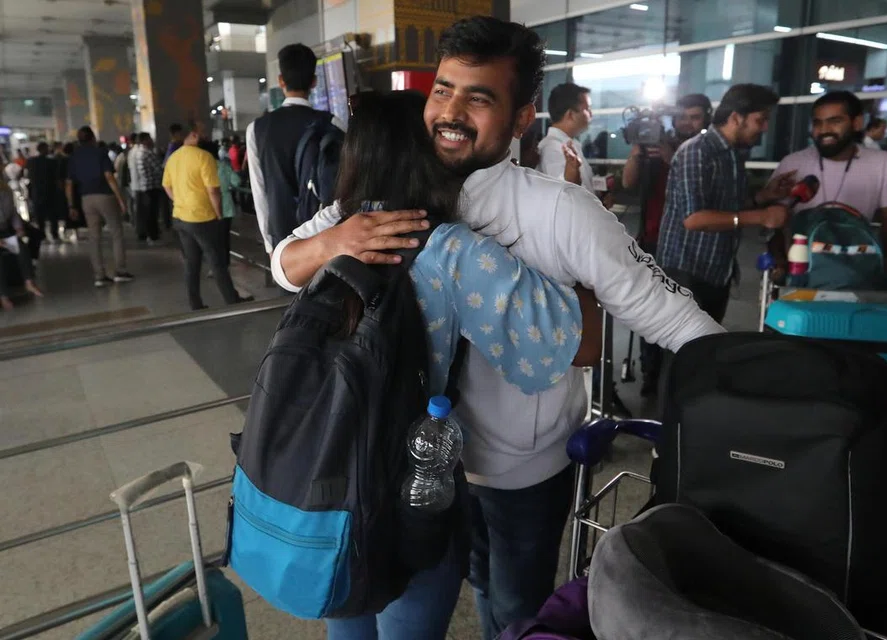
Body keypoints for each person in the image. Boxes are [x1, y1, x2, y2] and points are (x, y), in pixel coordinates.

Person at [272, 17, 724, 640]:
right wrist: (335, 240)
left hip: (519, 472)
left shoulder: (560, 212)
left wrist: (763, 379)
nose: (451, 113)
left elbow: (666, 312)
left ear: (520, 119)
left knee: (511, 608)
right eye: (443, 90)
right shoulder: (390, 186)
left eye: (478, 98)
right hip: (406, 461)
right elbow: (284, 265)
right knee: (403, 591)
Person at [657, 83, 790, 325]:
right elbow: (694, 219)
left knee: (708, 343)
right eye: (760, 120)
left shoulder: (732, 154)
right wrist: (761, 216)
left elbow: (728, 206)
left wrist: (763, 197)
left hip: (717, 273)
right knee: (682, 346)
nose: (765, 128)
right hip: (685, 274)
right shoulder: (697, 151)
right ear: (736, 118)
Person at [622, 93, 712, 396]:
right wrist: (638, 153)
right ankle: (651, 371)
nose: (687, 123)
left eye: (694, 117)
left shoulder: (702, 152)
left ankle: (685, 375)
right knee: (651, 311)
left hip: (691, 245)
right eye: (682, 116)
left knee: (689, 312)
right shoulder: (656, 142)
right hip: (652, 239)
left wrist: (672, 158)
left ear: (706, 118)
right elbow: (628, 183)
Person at [767, 91, 887, 273]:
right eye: (817, 123)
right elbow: (776, 222)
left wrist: (883, 260)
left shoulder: (883, 163)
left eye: (835, 121)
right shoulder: (793, 163)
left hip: (857, 266)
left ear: (857, 123)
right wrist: (782, 263)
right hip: (801, 265)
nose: (824, 130)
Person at [246, 43, 345, 255]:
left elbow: (260, 191)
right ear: (314, 81)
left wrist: (270, 245)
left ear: (281, 80)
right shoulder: (332, 124)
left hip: (283, 238)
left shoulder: (257, 129)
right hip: (326, 236)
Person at [162, 122, 252, 310]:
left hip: (180, 216)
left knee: (191, 262)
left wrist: (179, 200)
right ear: (193, 135)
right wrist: (218, 214)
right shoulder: (204, 157)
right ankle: (232, 300)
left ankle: (195, 303)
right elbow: (213, 190)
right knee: (217, 261)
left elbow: (166, 185)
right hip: (202, 217)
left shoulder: (173, 157)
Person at [66, 126, 134, 287]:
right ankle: (120, 271)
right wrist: (120, 199)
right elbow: (109, 176)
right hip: (105, 196)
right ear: (93, 138)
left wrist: (71, 205)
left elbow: (69, 184)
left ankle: (99, 276)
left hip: (86, 199)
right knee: (116, 233)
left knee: (94, 237)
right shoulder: (100, 153)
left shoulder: (74, 157)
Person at [536, 83, 594, 191]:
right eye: (587, 109)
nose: (591, 114)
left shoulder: (569, 144)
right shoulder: (552, 148)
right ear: (570, 114)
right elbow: (564, 193)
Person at [0, 177, 44, 309]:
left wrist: (19, 228)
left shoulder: (5, 191)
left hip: (4, 229)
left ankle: (29, 281)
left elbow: (13, 213)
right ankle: (3, 295)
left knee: (21, 246)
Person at [25, 142, 61, 242]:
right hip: (50, 192)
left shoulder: (31, 162)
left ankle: (42, 235)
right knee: (53, 215)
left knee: (39, 216)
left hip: (37, 192)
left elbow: (28, 176)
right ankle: (54, 234)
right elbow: (56, 177)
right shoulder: (52, 162)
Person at [134, 132, 164, 244]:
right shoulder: (148, 153)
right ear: (144, 140)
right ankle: (153, 236)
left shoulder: (138, 153)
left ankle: (149, 235)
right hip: (152, 186)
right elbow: (159, 169)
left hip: (144, 186)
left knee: (147, 212)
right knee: (152, 213)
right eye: (149, 138)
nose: (152, 140)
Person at [216, 150, 241, 266]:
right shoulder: (224, 166)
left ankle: (215, 263)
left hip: (208, 207)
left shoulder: (203, 165)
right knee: (224, 237)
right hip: (226, 207)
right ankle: (225, 262)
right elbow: (236, 181)